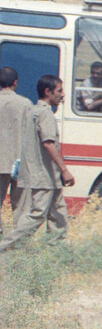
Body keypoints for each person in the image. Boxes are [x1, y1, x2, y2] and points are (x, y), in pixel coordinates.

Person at [0, 75, 75, 250]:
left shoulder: (33, 110)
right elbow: (48, 143)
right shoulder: (44, 113)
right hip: (44, 174)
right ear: (48, 92)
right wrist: (64, 169)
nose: (62, 95)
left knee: (58, 213)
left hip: (48, 174)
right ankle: (5, 246)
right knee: (37, 215)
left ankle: (56, 251)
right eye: (59, 91)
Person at [0, 66, 31, 237]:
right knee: (19, 204)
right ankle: (19, 239)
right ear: (15, 83)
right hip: (19, 163)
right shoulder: (25, 104)